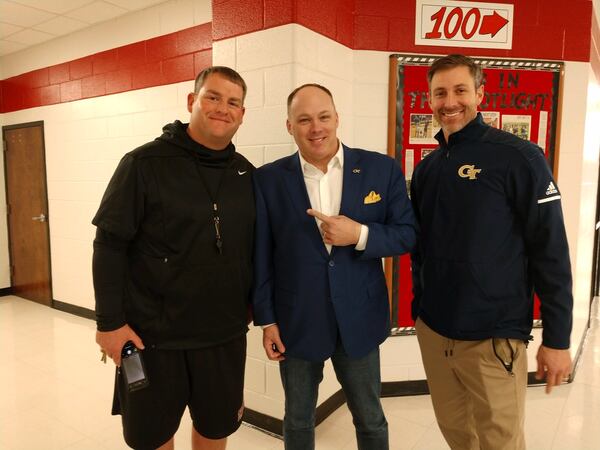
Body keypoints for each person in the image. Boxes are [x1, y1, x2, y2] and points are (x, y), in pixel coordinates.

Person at [410, 54, 573, 450]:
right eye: (440, 93)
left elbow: (550, 251)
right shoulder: (428, 169)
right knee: (458, 436)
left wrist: (558, 338)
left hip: (492, 337)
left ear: (480, 94)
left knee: (500, 442)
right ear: (429, 100)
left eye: (461, 90)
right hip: (434, 331)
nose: (450, 102)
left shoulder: (520, 157)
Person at [92, 66, 254, 450]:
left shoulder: (245, 173)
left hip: (223, 337)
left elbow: (253, 250)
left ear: (243, 114)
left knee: (216, 428)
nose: (222, 108)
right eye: (212, 97)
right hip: (153, 340)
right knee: (152, 436)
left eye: (233, 102)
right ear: (191, 101)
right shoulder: (143, 164)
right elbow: (109, 245)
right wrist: (109, 323)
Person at [252, 83, 417, 450]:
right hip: (296, 320)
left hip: (358, 317)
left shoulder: (380, 168)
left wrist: (358, 234)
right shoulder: (267, 180)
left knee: (370, 418)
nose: (316, 128)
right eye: (304, 119)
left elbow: (406, 235)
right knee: (297, 420)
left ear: (337, 118)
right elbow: (261, 256)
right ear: (289, 126)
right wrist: (267, 320)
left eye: (324, 117)